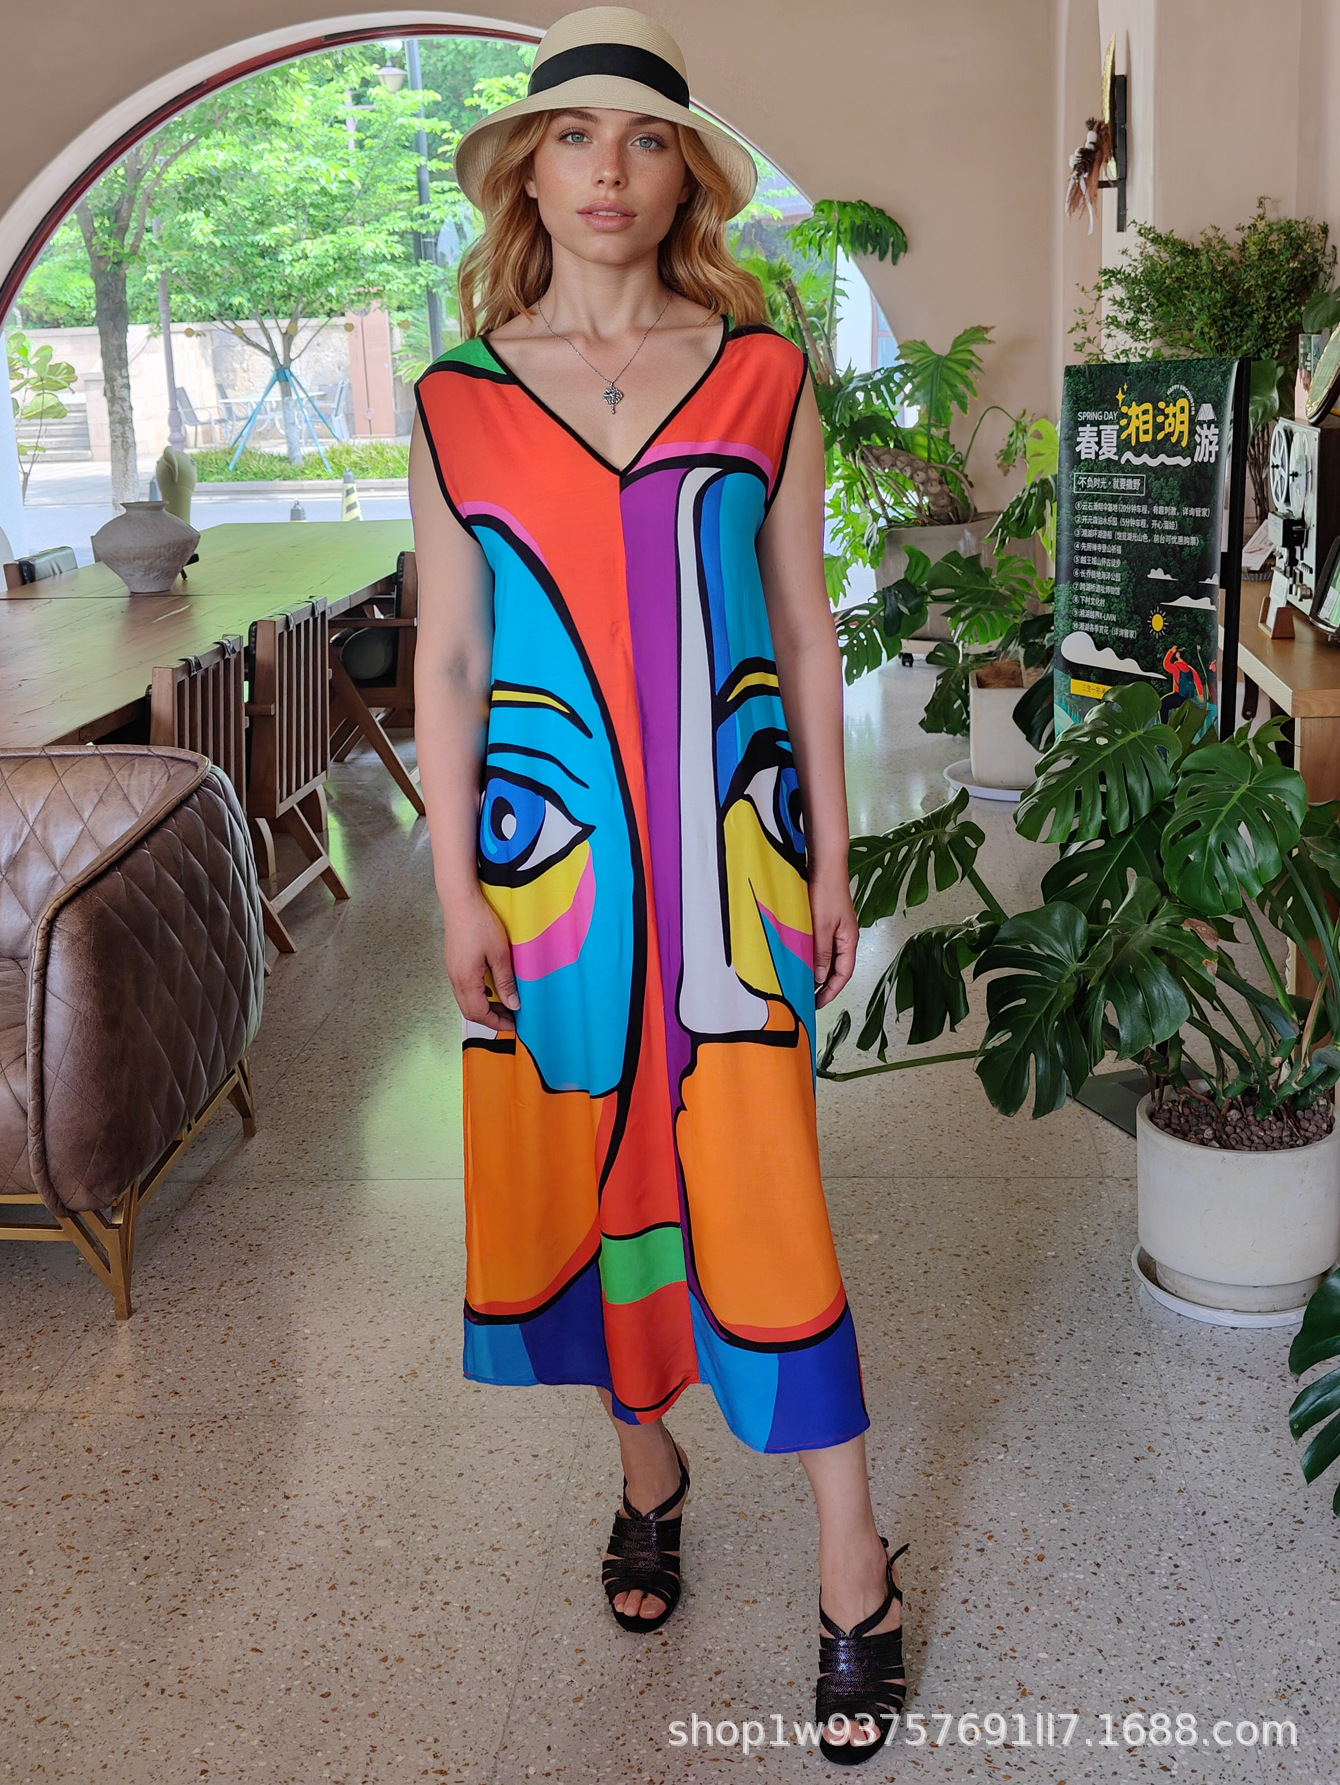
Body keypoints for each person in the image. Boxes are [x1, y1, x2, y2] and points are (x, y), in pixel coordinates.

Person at [410, 7, 907, 1761]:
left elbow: (807, 627)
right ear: (528, 174)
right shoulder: (459, 398)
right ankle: (647, 1467)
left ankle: (854, 1560)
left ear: (685, 173)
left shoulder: (763, 373)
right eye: (572, 138)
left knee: (763, 1181)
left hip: (735, 865)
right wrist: (453, 887)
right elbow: (450, 655)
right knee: (583, 1158)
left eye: (641, 140)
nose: (606, 171)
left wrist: (832, 850)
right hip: (551, 875)